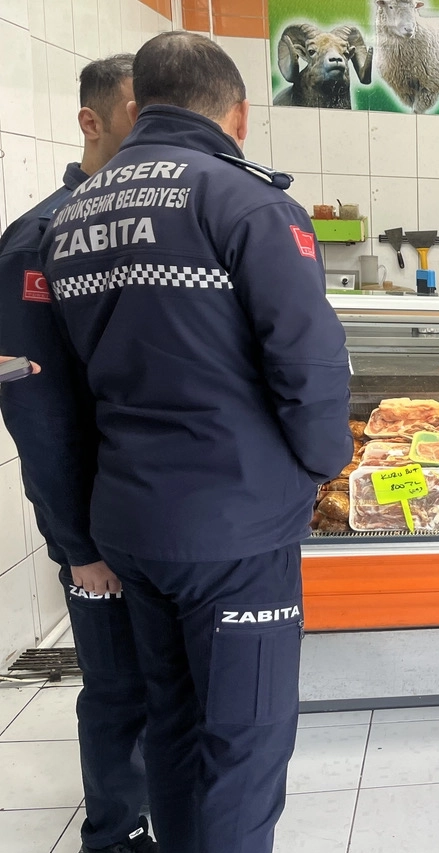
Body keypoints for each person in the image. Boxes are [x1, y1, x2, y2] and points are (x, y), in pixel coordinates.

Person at [39, 32, 353, 853]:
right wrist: (324, 467)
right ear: (238, 115)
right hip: (233, 530)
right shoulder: (246, 203)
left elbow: (66, 386)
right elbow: (309, 363)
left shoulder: (72, 217)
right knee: (243, 746)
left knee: (173, 725)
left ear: (137, 106)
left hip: (131, 521)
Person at [0, 55, 156, 853]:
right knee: (118, 686)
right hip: (100, 520)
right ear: (92, 123)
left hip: (165, 515)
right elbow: (37, 410)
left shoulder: (162, 220)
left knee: (165, 684)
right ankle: (117, 831)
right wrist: (77, 546)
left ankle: (168, 813)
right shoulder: (38, 239)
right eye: (139, 111)